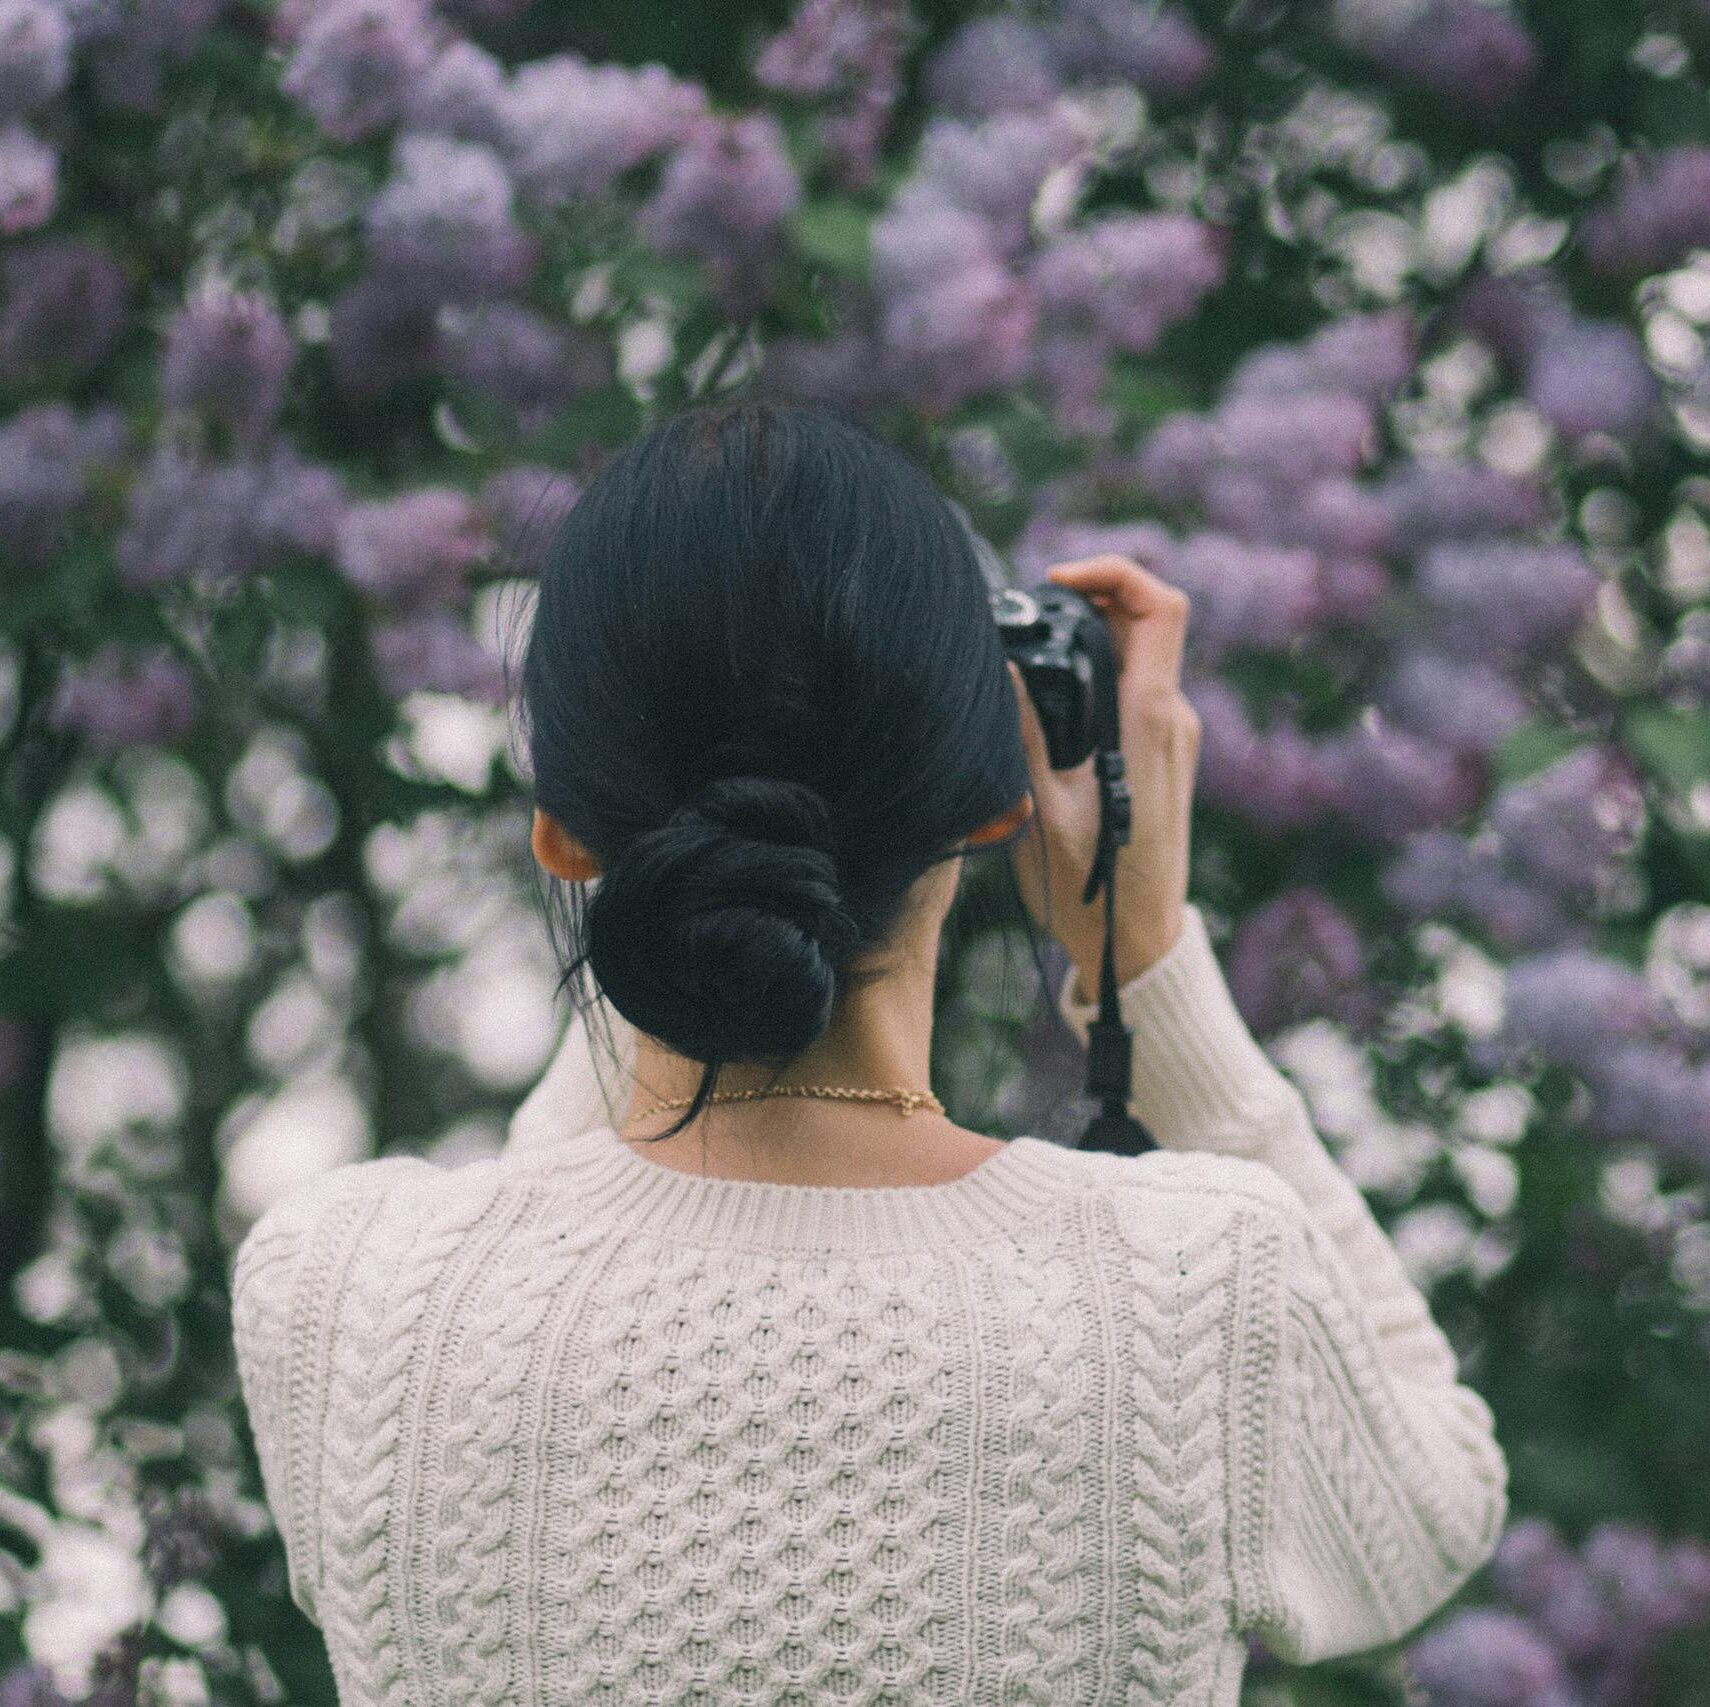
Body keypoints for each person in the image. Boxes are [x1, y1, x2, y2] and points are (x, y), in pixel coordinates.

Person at [230, 398, 1507, 1704]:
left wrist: (679, 880)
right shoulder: (1197, 1286)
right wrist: (1148, 959)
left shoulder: (346, 1294)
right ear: (997, 807)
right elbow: (1428, 1508)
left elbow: (550, 1282)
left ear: (558, 831)